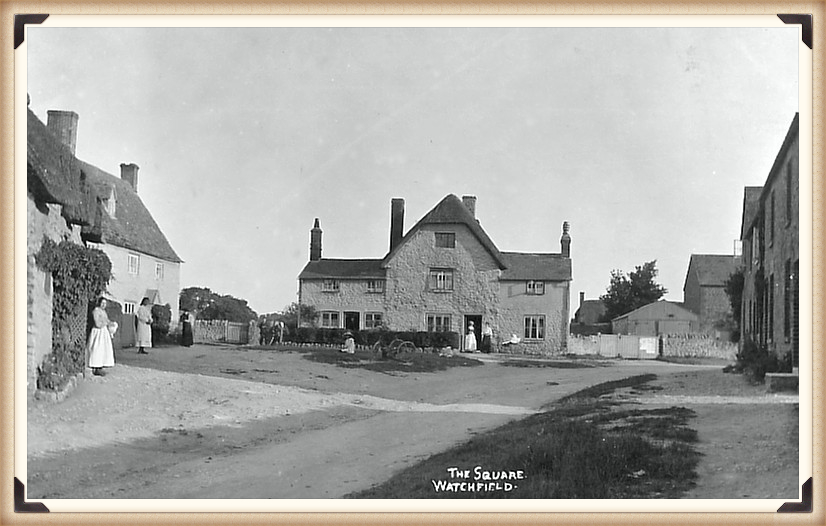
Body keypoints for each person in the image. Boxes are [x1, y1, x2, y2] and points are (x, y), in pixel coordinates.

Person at [87, 297, 116, 376]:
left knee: (103, 349)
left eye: (105, 304)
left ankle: (100, 366)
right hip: (98, 332)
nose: (103, 305)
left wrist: (110, 323)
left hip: (103, 332)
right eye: (102, 303)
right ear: (99, 303)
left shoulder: (103, 312)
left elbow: (106, 320)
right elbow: (97, 323)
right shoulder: (96, 311)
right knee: (97, 348)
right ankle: (96, 367)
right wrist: (105, 323)